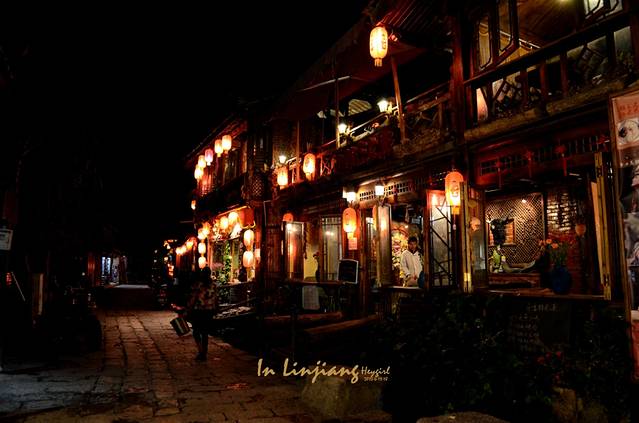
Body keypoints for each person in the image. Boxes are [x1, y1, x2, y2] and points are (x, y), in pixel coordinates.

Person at [186, 267, 217, 361]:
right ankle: (204, 352)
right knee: (205, 333)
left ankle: (201, 351)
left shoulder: (198, 285)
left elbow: (193, 298)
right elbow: (216, 298)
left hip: (199, 311)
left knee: (196, 332)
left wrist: (188, 308)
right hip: (209, 311)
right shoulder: (213, 285)